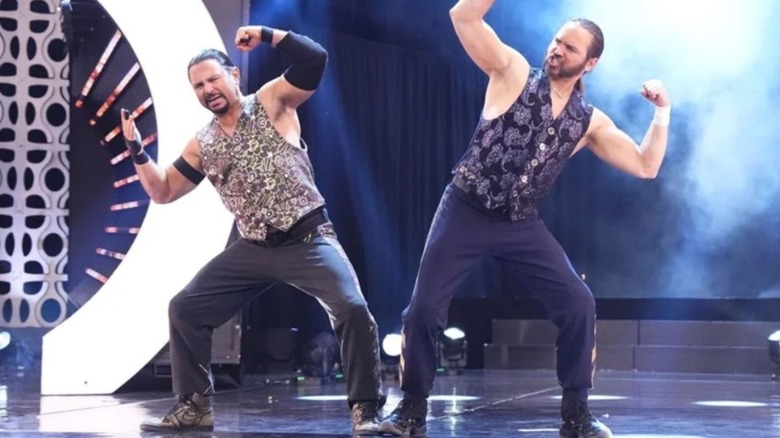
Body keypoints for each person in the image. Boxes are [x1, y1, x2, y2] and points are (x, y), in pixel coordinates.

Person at [379, 1, 670, 437]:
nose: (556, 50)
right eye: (556, 41)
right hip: (466, 208)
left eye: (569, 49)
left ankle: (576, 414)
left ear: (589, 63)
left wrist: (662, 110)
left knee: (578, 303)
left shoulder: (587, 122)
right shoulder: (512, 72)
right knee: (422, 309)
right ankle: (411, 411)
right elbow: (463, 18)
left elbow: (647, 165)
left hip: (520, 224)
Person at [124, 25, 385, 435]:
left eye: (213, 78)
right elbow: (163, 190)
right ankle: (194, 406)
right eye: (198, 86)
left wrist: (267, 35)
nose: (207, 89)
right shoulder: (202, 143)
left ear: (234, 76)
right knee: (185, 308)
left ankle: (366, 410)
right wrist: (138, 150)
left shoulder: (271, 101)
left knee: (352, 309)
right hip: (253, 249)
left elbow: (314, 59)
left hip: (307, 238)